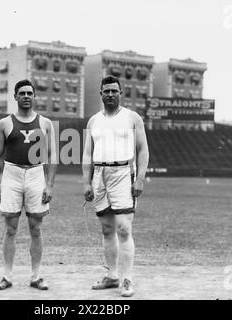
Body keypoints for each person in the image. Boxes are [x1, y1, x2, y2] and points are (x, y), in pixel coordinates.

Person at [82, 75, 149, 297]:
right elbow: (87, 154)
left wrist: (140, 178)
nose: (110, 94)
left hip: (122, 173)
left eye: (114, 90)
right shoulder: (93, 121)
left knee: (124, 227)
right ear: (101, 94)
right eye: (106, 91)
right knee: (107, 228)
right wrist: (86, 182)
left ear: (120, 93)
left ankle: (127, 279)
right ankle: (112, 276)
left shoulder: (132, 118)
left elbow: (142, 150)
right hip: (99, 174)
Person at [0, 79, 57, 291]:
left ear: (34, 96)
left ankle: (36, 276)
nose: (26, 96)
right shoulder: (4, 124)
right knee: (10, 228)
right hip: (12, 174)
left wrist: (50, 185)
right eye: (22, 93)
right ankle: (7, 276)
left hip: (36, 174)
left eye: (30, 93)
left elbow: (53, 155)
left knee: (36, 228)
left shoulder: (45, 123)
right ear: (15, 97)